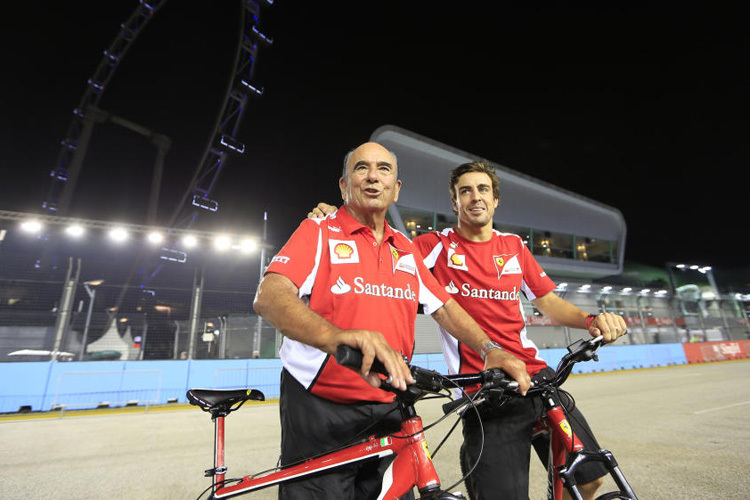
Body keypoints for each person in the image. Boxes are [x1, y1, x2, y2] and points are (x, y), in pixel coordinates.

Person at [309, 161, 628, 500]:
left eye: (482, 189)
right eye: (465, 191)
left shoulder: (514, 246)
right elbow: (378, 246)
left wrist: (591, 320)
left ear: (495, 200)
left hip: (538, 378)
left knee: (589, 478)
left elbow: (547, 302)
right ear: (454, 202)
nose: (475, 197)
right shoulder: (433, 245)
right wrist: (341, 221)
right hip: (485, 392)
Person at [253, 144, 529, 500]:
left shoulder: (405, 246)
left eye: (384, 169)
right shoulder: (318, 231)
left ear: (396, 188)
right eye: (361, 168)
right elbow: (269, 296)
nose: (372, 176)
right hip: (321, 408)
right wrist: (338, 337)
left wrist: (490, 348)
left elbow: (444, 305)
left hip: (391, 402)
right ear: (343, 185)